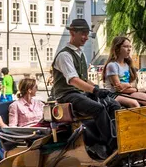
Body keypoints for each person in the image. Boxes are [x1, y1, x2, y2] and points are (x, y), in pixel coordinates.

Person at [50, 18, 118, 159]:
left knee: (113, 104)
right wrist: (94, 91)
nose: (86, 37)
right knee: (98, 108)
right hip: (67, 95)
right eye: (83, 34)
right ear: (72, 33)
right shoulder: (64, 55)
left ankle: (113, 137)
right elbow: (73, 80)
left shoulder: (80, 54)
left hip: (80, 93)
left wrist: (97, 88)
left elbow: (83, 78)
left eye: (87, 34)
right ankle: (112, 145)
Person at [103, 35, 146, 110]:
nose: (129, 49)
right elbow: (119, 89)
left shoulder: (127, 65)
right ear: (117, 48)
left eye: (130, 47)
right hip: (113, 94)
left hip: (127, 92)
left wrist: (127, 85)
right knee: (134, 103)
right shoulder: (112, 65)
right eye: (125, 46)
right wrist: (136, 89)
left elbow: (130, 85)